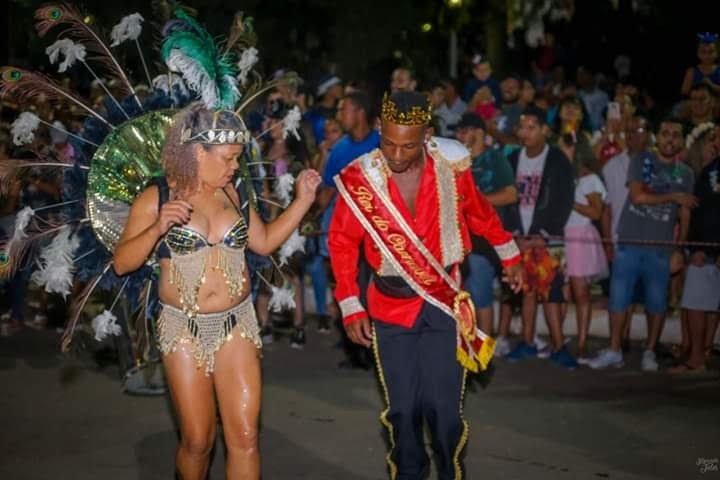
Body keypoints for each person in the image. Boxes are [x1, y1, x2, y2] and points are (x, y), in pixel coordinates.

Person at [113, 104, 321, 479]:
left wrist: (303, 201)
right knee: (198, 440)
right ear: (197, 152)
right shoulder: (156, 197)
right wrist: (158, 228)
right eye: (228, 159)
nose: (234, 167)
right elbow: (122, 263)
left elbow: (263, 242)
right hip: (183, 330)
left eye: (238, 159)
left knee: (244, 436)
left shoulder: (235, 191)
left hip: (236, 323)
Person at [328, 91, 522, 479]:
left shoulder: (452, 167)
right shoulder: (360, 178)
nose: (397, 156)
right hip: (388, 306)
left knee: (444, 409)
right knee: (403, 410)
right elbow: (342, 241)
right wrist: (350, 302)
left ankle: (450, 470)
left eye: (409, 147)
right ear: (380, 129)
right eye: (389, 144)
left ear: (428, 135)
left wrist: (510, 254)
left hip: (442, 305)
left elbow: (479, 212)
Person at [589, 118, 696, 371]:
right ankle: (614, 349)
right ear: (656, 137)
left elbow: (685, 214)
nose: (670, 138)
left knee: (657, 301)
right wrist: (673, 196)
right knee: (618, 298)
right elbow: (637, 196)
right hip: (629, 240)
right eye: (665, 133)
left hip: (661, 246)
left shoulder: (686, 173)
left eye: (675, 134)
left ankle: (649, 351)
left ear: (681, 141)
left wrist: (679, 249)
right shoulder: (642, 160)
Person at [503, 106, 578, 368]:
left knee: (552, 293)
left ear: (545, 130)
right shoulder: (511, 160)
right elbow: (505, 200)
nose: (525, 132)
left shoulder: (557, 160)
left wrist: (544, 235)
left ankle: (559, 346)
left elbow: (564, 200)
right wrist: (513, 235)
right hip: (519, 237)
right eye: (522, 127)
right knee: (526, 292)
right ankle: (528, 342)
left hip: (548, 238)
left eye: (531, 127)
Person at [455, 112, 518, 352]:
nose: (460, 136)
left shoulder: (495, 158)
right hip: (460, 239)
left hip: (485, 238)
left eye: (464, 130)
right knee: (463, 296)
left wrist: (475, 205)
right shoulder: (457, 163)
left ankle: (483, 350)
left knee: (480, 295)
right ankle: (468, 346)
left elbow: (511, 194)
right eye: (458, 131)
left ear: (480, 133)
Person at [670, 134, 720, 373]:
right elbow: (700, 209)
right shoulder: (710, 169)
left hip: (712, 249)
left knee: (699, 303)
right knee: (694, 303)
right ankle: (697, 358)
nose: (716, 139)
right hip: (704, 250)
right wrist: (696, 246)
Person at [681, 32, 720, 97]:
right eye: (703, 51)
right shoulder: (692, 71)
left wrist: (711, 85)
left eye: (711, 52)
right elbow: (684, 91)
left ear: (717, 53)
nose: (707, 56)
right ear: (698, 53)